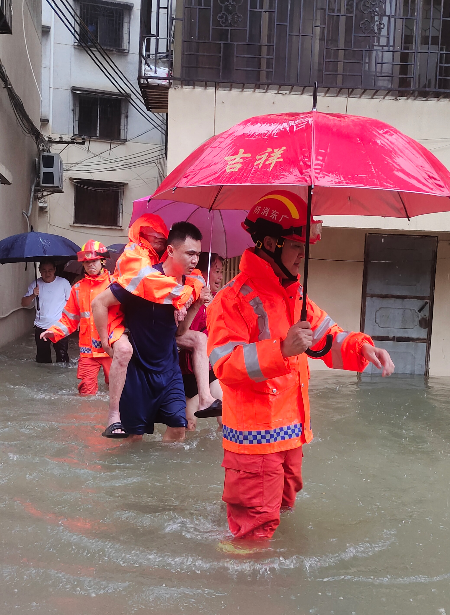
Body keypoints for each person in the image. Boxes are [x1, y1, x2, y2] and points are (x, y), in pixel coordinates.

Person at [206, 190, 395, 542]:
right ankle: (245, 594)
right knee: (253, 534)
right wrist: (281, 349)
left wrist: (362, 347)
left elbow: (326, 338)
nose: (302, 255)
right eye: (296, 246)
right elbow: (224, 365)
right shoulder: (231, 299)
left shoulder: (294, 295)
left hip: (289, 433)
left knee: (282, 511)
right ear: (269, 243)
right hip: (255, 442)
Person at [93, 221, 207, 442]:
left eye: (198, 255)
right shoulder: (142, 278)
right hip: (138, 373)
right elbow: (99, 303)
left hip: (169, 370)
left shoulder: (189, 286)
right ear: (171, 251)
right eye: (190, 253)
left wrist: (194, 305)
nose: (195, 260)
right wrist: (106, 343)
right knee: (133, 438)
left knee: (178, 428)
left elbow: (179, 333)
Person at [92, 213, 169, 437]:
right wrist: (105, 340)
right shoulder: (135, 254)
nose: (160, 241)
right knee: (124, 351)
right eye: (157, 237)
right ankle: (113, 415)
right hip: (116, 320)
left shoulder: (161, 260)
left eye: (163, 239)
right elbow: (147, 281)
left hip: (137, 323)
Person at [39, 241, 118, 397]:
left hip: (111, 348)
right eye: (86, 262)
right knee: (86, 394)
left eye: (93, 261)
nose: (90, 265)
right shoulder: (77, 289)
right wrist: (53, 332)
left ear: (102, 261)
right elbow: (69, 319)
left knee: (117, 391)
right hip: (88, 351)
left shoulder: (115, 285)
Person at [178, 252, 224, 429]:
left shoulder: (215, 300)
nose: (220, 276)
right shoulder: (187, 293)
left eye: (221, 272)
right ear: (204, 272)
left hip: (208, 369)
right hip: (185, 370)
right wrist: (198, 303)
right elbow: (179, 332)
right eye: (217, 271)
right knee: (188, 424)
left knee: (226, 416)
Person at [22, 260, 71, 363]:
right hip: (41, 326)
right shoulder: (35, 284)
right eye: (44, 270)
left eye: (50, 270)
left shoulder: (63, 283)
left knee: (62, 359)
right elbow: (24, 303)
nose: (47, 273)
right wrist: (33, 295)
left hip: (59, 326)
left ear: (55, 270)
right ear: (39, 270)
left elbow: (71, 303)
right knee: (42, 360)